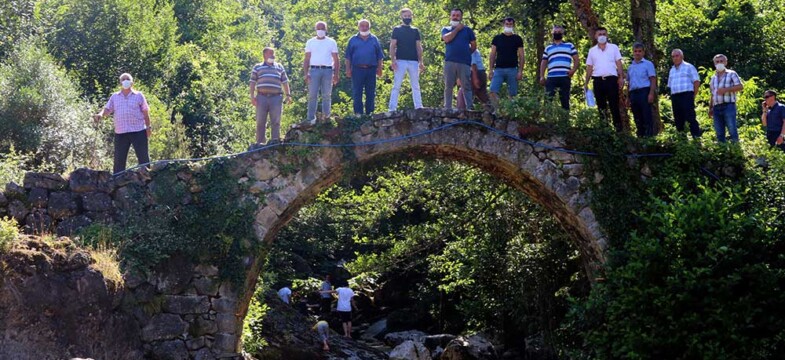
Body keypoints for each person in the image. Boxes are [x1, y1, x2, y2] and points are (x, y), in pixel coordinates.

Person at [94, 73, 152, 175]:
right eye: (123, 79)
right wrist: (100, 114)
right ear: (120, 82)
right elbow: (107, 109)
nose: (125, 80)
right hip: (121, 132)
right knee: (119, 161)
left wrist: (148, 127)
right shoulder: (115, 97)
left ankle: (147, 183)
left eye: (128, 79)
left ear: (132, 82)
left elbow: (145, 112)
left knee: (144, 159)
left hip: (138, 131)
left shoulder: (139, 95)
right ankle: (118, 184)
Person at [584, 27, 624, 132]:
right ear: (595, 36)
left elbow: (619, 63)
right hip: (597, 81)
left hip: (611, 80)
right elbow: (589, 67)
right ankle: (604, 130)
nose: (602, 36)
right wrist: (586, 83)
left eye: (604, 34)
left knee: (614, 105)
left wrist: (621, 78)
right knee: (601, 107)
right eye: (599, 34)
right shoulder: (592, 51)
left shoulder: (613, 48)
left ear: (607, 36)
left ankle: (618, 131)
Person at [249, 47, 292, 145]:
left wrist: (288, 95)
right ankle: (260, 143)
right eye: (270, 53)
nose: (273, 55)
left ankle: (275, 142)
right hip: (261, 97)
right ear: (264, 55)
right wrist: (252, 97)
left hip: (276, 97)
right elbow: (252, 82)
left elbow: (285, 82)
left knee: (276, 121)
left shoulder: (279, 67)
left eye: (273, 53)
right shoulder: (257, 67)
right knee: (260, 121)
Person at [388, 8, 424, 112]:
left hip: (413, 61)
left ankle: (419, 106)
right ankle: (392, 108)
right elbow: (392, 45)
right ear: (401, 17)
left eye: (409, 16)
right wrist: (393, 60)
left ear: (412, 16)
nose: (407, 18)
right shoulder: (397, 29)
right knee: (396, 85)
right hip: (400, 61)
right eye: (405, 16)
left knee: (416, 85)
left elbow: (419, 46)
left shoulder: (415, 30)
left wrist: (421, 61)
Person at [345, 19, 384, 116]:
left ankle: (369, 114)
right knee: (357, 92)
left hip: (371, 69)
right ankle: (358, 114)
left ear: (369, 27)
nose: (364, 27)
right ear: (358, 27)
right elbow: (348, 56)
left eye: (366, 26)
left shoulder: (374, 39)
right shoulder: (352, 39)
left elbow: (379, 56)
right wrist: (348, 69)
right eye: (362, 26)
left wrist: (380, 68)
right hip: (357, 69)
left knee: (371, 92)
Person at [304, 21, 340, 124]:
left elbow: (336, 59)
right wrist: (306, 73)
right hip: (314, 70)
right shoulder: (310, 42)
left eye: (322, 28)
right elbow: (306, 58)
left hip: (328, 70)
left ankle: (326, 118)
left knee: (327, 95)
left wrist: (336, 74)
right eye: (318, 28)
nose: (320, 30)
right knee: (312, 95)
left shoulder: (331, 42)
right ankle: (310, 118)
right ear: (315, 29)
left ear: (326, 29)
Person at [441, 8, 476, 109]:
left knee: (466, 86)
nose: (455, 17)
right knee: (448, 86)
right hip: (449, 62)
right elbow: (446, 39)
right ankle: (447, 108)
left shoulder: (468, 30)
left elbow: (473, 46)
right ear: (450, 16)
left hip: (464, 62)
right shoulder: (445, 29)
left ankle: (469, 108)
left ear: (461, 17)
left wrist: (466, 53)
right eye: (454, 15)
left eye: (458, 15)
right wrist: (457, 29)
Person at [539, 25, 579, 111]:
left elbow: (576, 59)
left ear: (563, 33)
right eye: (555, 32)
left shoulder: (569, 45)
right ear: (552, 33)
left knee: (565, 99)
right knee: (548, 99)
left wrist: (573, 70)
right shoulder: (548, 48)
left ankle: (564, 121)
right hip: (551, 77)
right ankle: (547, 120)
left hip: (565, 76)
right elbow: (544, 62)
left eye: (559, 32)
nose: (557, 34)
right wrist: (542, 76)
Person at [489, 17, 524, 107]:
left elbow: (521, 56)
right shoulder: (497, 38)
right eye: (507, 24)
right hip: (498, 69)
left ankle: (510, 113)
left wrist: (520, 71)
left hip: (512, 69)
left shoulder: (518, 39)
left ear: (513, 25)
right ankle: (496, 111)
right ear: (503, 25)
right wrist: (490, 70)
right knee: (493, 90)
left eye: (510, 24)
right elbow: (492, 54)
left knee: (513, 94)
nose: (508, 26)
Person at [667, 49, 701, 139]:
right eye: (673, 56)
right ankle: (682, 139)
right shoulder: (672, 70)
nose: (675, 58)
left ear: (682, 56)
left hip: (687, 95)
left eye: (677, 56)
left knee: (690, 117)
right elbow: (670, 85)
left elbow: (696, 82)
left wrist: (693, 95)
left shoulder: (689, 67)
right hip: (675, 96)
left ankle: (696, 138)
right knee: (678, 118)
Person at [709, 54, 743, 143]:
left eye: (721, 61)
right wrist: (710, 108)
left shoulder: (732, 74)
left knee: (732, 129)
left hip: (728, 105)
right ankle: (722, 151)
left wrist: (726, 90)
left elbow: (740, 86)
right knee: (719, 132)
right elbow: (712, 94)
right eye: (717, 62)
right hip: (716, 108)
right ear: (714, 64)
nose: (719, 63)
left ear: (726, 62)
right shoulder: (713, 78)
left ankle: (736, 150)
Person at [625, 43, 656, 137]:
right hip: (633, 93)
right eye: (635, 51)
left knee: (646, 115)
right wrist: (627, 97)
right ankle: (640, 136)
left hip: (644, 92)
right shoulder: (630, 67)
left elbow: (653, 79)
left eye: (639, 51)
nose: (637, 53)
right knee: (637, 115)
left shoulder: (648, 64)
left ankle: (649, 137)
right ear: (633, 52)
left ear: (643, 52)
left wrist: (651, 93)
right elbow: (628, 83)